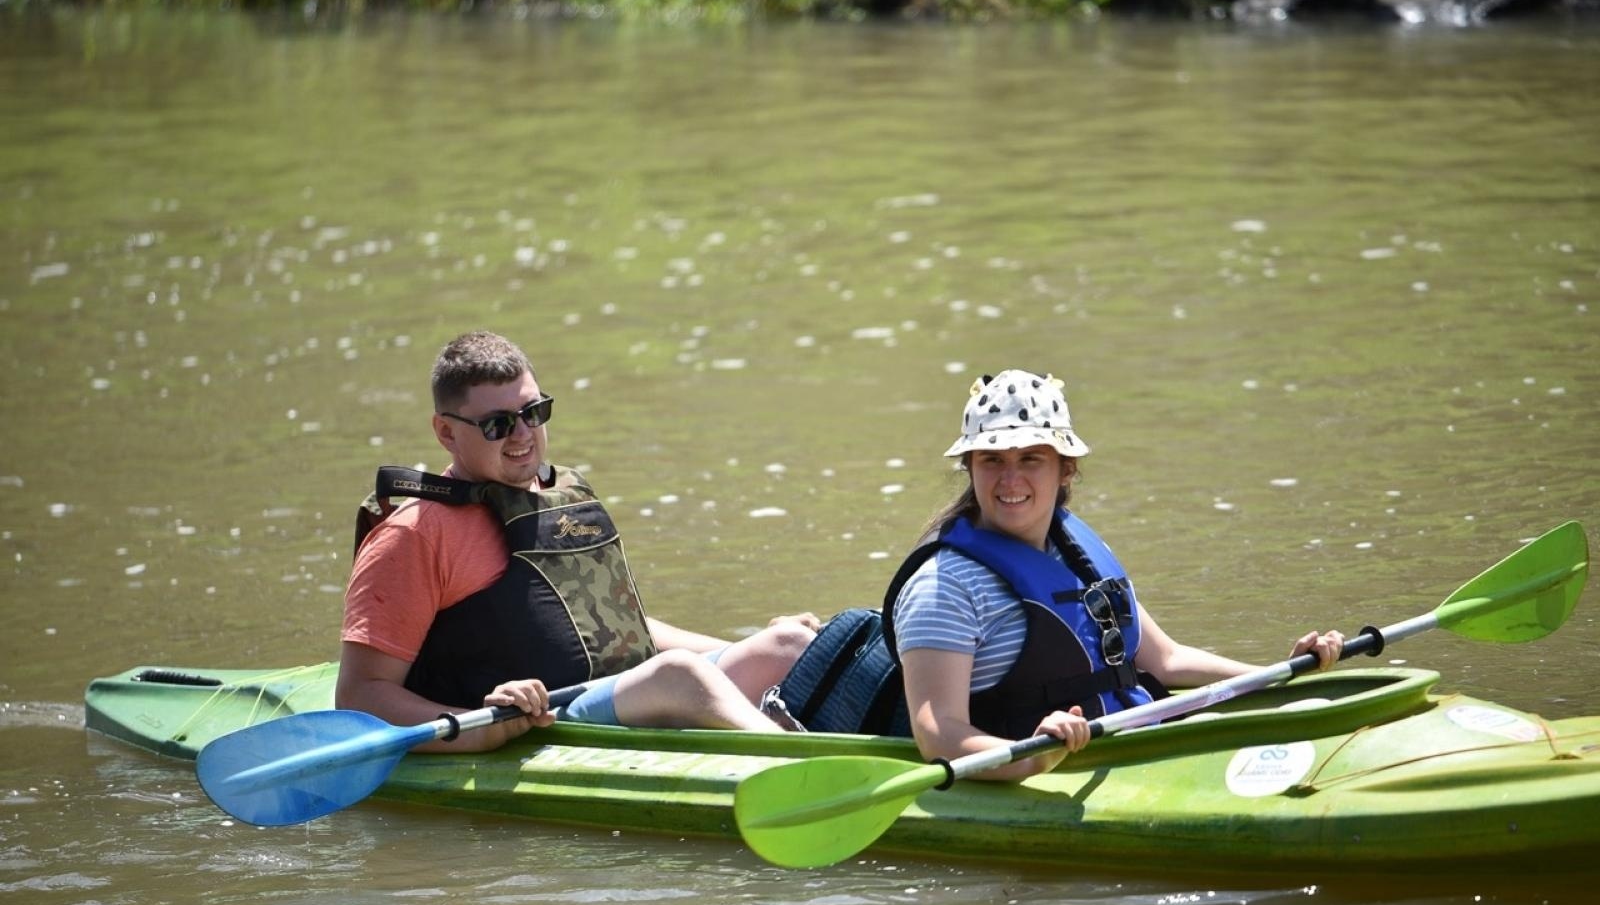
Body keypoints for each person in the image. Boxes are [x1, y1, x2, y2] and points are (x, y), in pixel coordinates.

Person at [336, 330, 817, 752]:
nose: (523, 434)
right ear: (446, 432)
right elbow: (360, 696)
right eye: (498, 424)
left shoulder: (560, 497)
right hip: (535, 721)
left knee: (790, 644)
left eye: (533, 411)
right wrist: (469, 731)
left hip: (634, 686)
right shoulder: (413, 536)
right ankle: (798, 761)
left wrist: (745, 647)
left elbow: (612, 623)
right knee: (679, 676)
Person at [883, 369, 1344, 781]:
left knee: (1308, 708)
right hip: (1045, 772)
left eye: (1030, 460)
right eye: (992, 460)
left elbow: (1166, 661)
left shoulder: (1077, 551)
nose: (1010, 481)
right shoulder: (943, 587)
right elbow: (937, 734)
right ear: (970, 467)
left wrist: (1283, 675)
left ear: (1066, 469)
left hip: (1133, 745)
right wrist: (1031, 759)